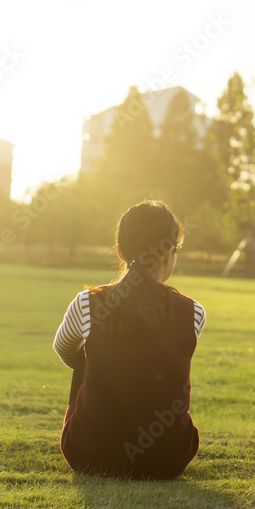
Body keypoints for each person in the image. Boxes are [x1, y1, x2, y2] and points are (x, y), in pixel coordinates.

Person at [53, 200, 205, 480]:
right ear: (169, 253)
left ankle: (99, 434)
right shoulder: (194, 313)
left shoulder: (87, 303)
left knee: (84, 354)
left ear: (121, 251)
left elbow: (63, 348)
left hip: (89, 455)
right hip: (169, 460)